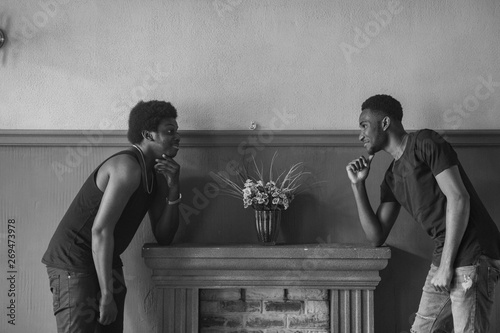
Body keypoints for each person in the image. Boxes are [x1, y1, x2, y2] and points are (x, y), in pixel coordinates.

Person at [346, 94, 500, 333]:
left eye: (364, 125)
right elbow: (376, 236)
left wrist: (446, 266)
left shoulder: (425, 142)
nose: (360, 135)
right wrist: (358, 185)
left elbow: (459, 199)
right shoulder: (391, 178)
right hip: (445, 258)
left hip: (474, 253)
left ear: (385, 123)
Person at [42, 100, 182, 332]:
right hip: (73, 262)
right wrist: (106, 294)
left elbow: (164, 236)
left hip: (105, 259)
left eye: (177, 131)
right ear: (148, 134)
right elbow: (100, 230)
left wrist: (174, 187)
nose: (177, 137)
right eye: (170, 131)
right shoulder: (127, 167)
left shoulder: (155, 175)